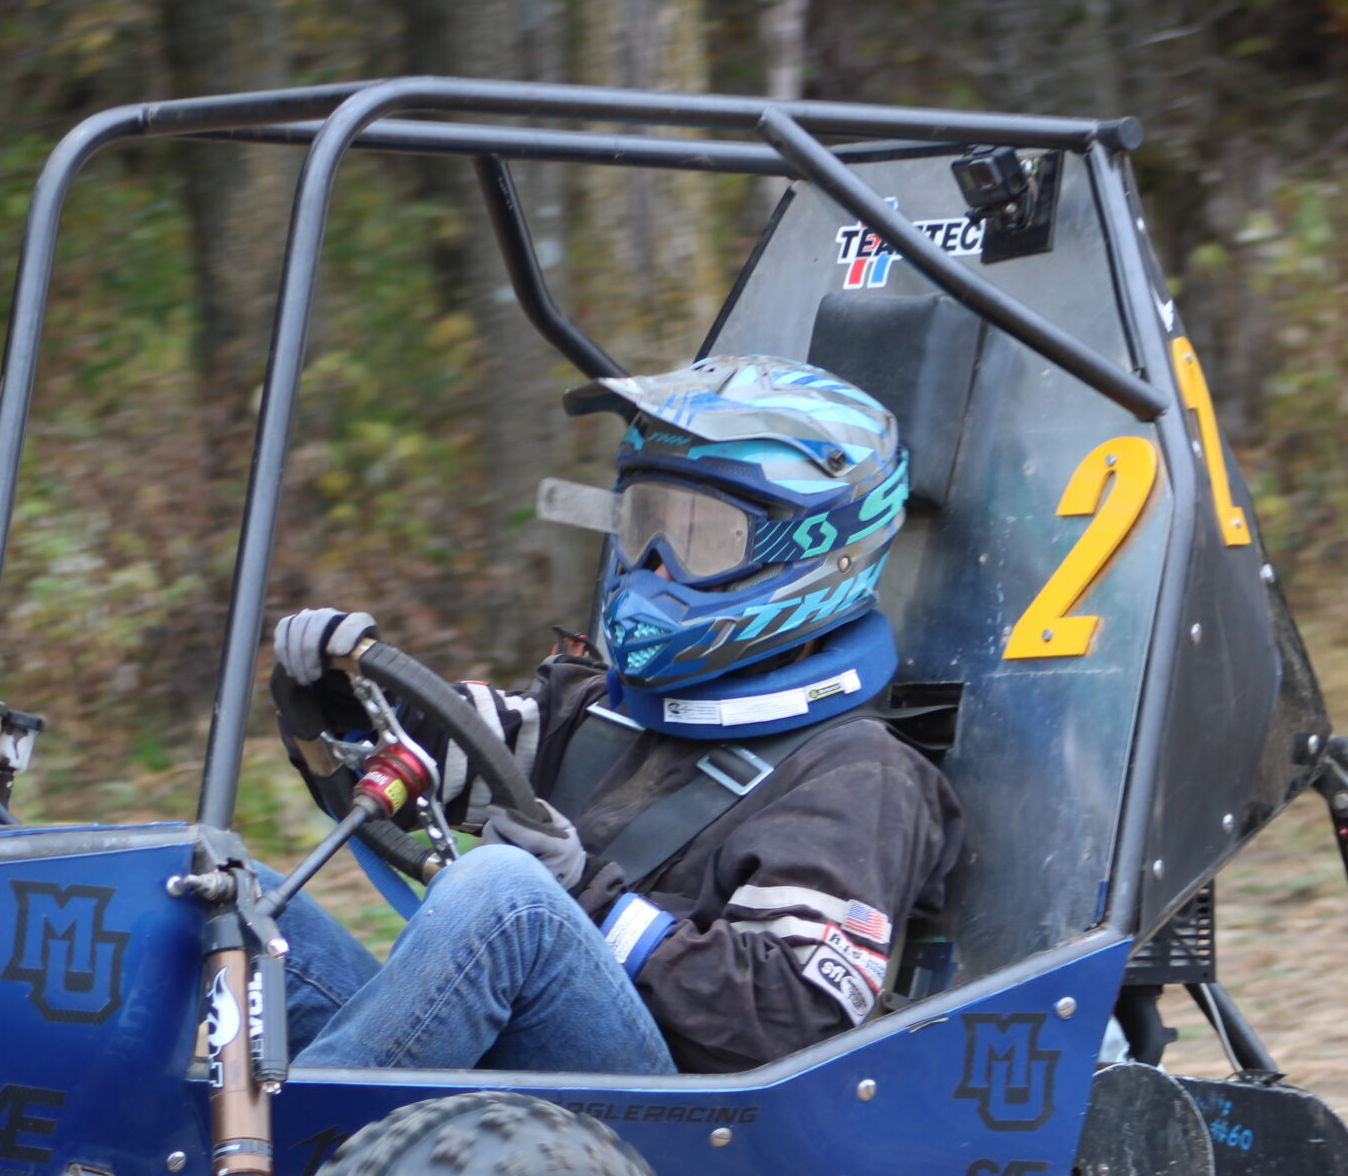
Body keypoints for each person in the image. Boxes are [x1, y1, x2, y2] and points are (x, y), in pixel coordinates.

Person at [267, 354, 962, 1076]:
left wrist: (585, 898)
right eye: (644, 525)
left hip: (688, 1140)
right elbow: (455, 747)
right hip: (514, 1107)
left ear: (816, 552)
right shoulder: (602, 707)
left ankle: (300, 1155)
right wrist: (342, 698)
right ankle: (203, 1161)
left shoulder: (860, 774)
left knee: (504, 891)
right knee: (210, 886)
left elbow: (782, 1017)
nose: (655, 567)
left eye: (699, 538)